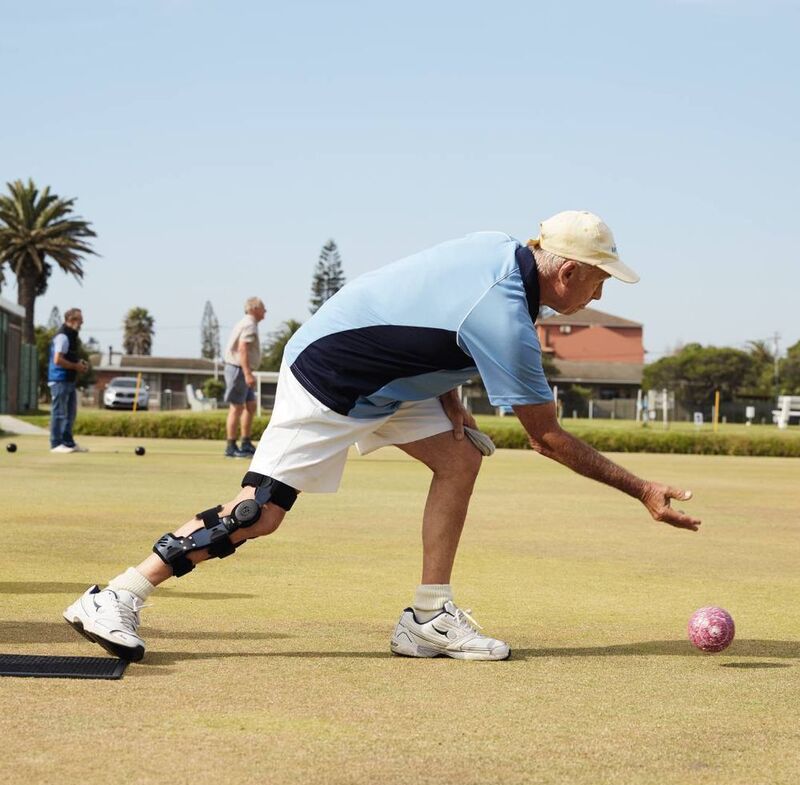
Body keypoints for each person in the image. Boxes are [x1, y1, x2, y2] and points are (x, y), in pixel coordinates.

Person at [63, 211, 701, 663]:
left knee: (459, 457)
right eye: (600, 277)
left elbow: (429, 311)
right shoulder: (504, 313)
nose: (601, 290)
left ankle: (428, 619)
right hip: (330, 377)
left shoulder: (501, 251)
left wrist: (449, 398)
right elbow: (547, 438)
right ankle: (117, 593)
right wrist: (641, 488)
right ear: (565, 271)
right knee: (260, 514)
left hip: (387, 377)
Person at [222, 297, 266, 457]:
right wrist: (247, 373)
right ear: (254, 308)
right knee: (237, 407)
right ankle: (231, 446)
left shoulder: (248, 323)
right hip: (238, 369)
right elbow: (243, 348)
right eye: (263, 308)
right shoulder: (249, 324)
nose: (265, 311)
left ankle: (246, 442)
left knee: (251, 405)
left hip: (242, 369)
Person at [49, 308, 89, 454]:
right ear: (71, 320)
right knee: (59, 412)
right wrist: (75, 366)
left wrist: (79, 363)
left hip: (69, 380)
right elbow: (57, 359)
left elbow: (68, 356)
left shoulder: (71, 336)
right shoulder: (63, 336)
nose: (82, 322)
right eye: (80, 319)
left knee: (70, 413)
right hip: (59, 379)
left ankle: (67, 443)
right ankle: (56, 443)